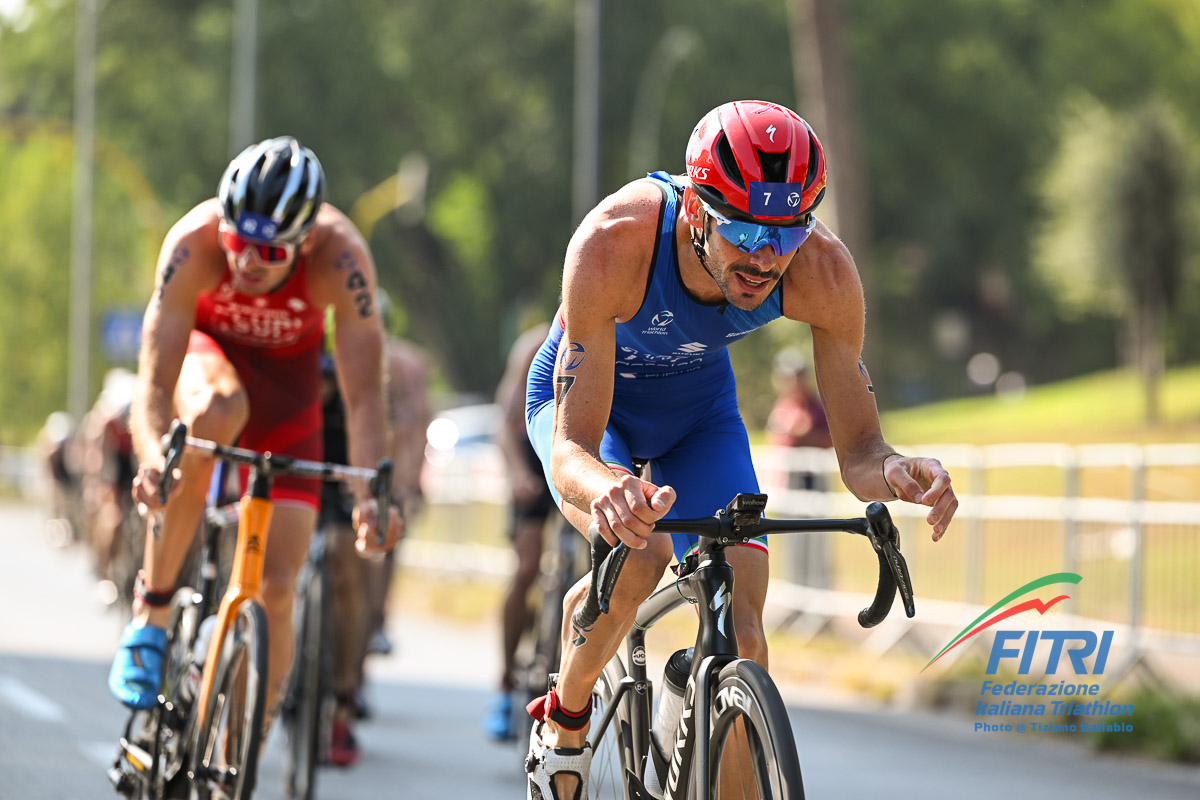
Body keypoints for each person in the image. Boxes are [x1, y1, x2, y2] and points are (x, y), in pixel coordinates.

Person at [522, 100, 958, 798]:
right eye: (745, 230)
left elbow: (860, 454)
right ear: (696, 210)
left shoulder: (823, 272)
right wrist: (606, 485)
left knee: (747, 636)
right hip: (593, 412)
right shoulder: (614, 243)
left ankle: (709, 712)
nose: (765, 257)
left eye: (786, 234)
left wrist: (898, 472)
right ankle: (564, 723)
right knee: (643, 552)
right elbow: (572, 445)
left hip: (699, 414)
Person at [109, 137, 402, 741]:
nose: (246, 261)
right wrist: (152, 460)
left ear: (308, 241)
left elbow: (365, 394)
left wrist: (373, 494)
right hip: (207, 365)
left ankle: (238, 750)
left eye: (268, 251)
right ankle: (153, 614)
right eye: (238, 241)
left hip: (289, 394)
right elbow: (155, 378)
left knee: (276, 589)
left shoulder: (342, 260)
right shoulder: (193, 243)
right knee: (218, 407)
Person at [318, 327, 430, 766]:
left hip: (353, 457)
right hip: (302, 448)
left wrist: (395, 490)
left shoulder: (388, 365)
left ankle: (345, 696)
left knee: (351, 575)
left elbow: (403, 431)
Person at [483, 321, 556, 741]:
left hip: (580, 452)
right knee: (526, 567)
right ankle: (506, 680)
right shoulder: (533, 346)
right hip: (533, 455)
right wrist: (516, 474)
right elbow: (505, 428)